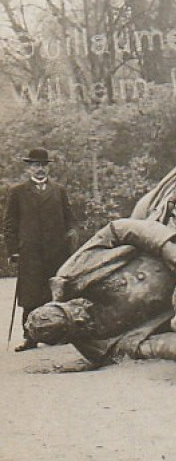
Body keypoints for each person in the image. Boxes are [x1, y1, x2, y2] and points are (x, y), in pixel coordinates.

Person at [3, 147, 78, 351]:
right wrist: (13, 251)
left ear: (48, 168)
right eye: (36, 165)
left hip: (56, 252)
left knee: (56, 293)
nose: (40, 170)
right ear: (29, 168)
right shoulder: (17, 192)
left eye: (43, 165)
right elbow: (9, 224)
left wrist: (71, 235)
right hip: (30, 252)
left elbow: (69, 218)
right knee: (31, 295)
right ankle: (30, 336)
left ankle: (61, 334)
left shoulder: (59, 191)